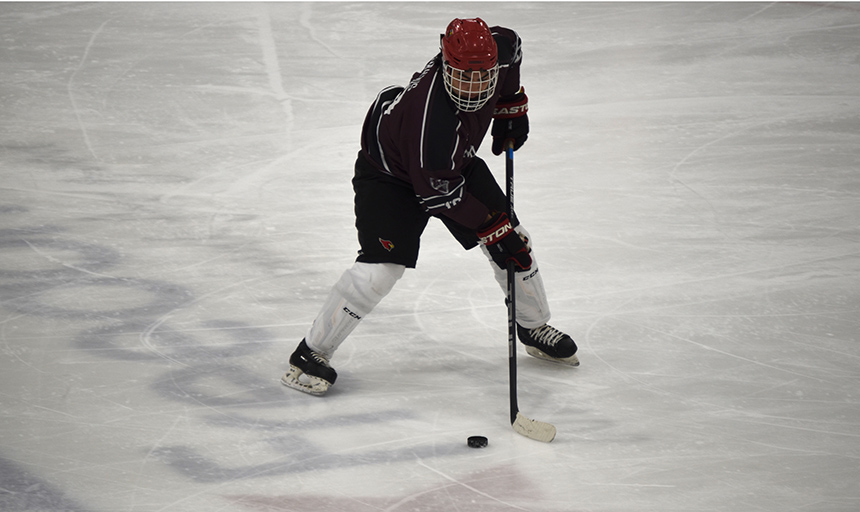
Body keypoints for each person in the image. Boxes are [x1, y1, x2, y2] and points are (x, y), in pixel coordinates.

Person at [281, 18, 578, 396]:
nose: (473, 88)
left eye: (483, 77)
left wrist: (510, 104)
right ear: (444, 62)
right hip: (393, 177)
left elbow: (513, 46)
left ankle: (532, 326)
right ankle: (310, 353)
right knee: (380, 271)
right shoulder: (430, 121)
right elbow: (439, 195)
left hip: (455, 162)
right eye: (462, 77)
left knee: (517, 243)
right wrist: (492, 227)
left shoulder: (499, 52)